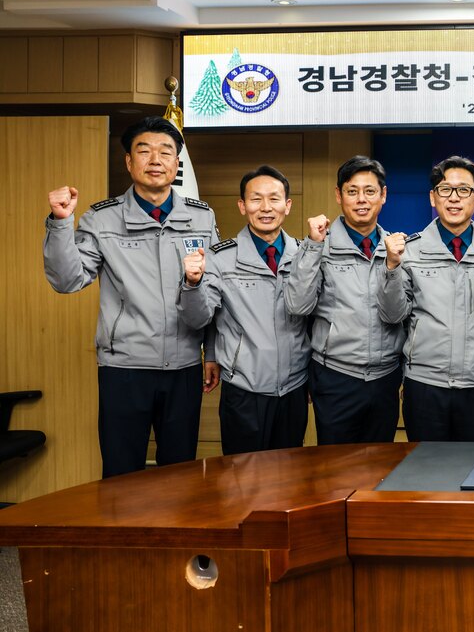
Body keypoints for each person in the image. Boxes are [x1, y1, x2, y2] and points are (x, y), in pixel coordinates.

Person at [44, 116, 220, 477]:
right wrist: (61, 223)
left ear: (177, 162)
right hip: (124, 368)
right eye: (144, 151)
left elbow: (214, 292)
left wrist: (213, 352)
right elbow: (67, 280)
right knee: (121, 474)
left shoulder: (201, 218)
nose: (155, 160)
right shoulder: (101, 219)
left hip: (183, 366)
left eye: (165, 152)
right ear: (129, 161)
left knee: (180, 474)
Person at [179, 165, 310, 454]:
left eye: (274, 198)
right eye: (256, 199)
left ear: (287, 205)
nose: (266, 208)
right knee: (242, 475)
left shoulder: (306, 256)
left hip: (294, 388)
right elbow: (199, 318)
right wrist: (191, 283)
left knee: (292, 475)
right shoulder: (220, 258)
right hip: (243, 390)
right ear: (242, 206)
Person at [284, 155, 411, 444]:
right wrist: (313, 246)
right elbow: (297, 305)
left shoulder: (397, 248)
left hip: (385, 377)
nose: (361, 199)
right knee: (335, 465)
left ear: (383, 195)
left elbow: (396, 315)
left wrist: (392, 265)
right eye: (352, 191)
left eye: (370, 191)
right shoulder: (318, 245)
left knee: (381, 463)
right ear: (339, 195)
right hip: (335, 376)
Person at [400, 156, 474, 442]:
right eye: (445, 190)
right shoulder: (408, 252)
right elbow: (395, 320)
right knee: (425, 466)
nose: (454, 198)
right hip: (424, 384)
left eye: (464, 190)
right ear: (433, 197)